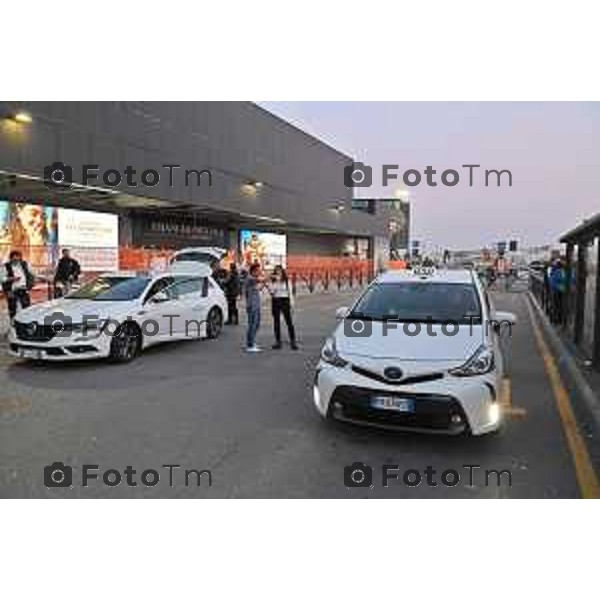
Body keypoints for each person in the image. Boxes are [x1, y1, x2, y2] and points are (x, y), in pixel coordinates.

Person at [267, 265, 298, 350]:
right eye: (276, 271)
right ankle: (278, 342)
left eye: (280, 271)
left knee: (289, 322)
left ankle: (293, 341)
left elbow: (290, 293)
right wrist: (276, 282)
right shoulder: (273, 281)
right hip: (276, 301)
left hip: (285, 300)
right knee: (276, 322)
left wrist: (292, 305)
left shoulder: (287, 281)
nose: (278, 273)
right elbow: (272, 292)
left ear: (282, 272)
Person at [2, 250, 35, 321]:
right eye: (14, 259)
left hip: (23, 288)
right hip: (12, 290)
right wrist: (11, 279)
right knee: (12, 308)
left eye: (18, 259)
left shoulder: (25, 264)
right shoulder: (6, 266)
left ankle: (26, 321)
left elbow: (32, 274)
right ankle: (13, 322)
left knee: (26, 307)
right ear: (11, 258)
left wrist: (30, 285)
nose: (16, 261)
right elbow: (2, 278)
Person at [244, 263, 263, 352]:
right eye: (258, 270)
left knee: (257, 324)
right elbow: (260, 280)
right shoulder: (250, 278)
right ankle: (250, 345)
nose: (259, 272)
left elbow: (258, 287)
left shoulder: (254, 280)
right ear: (253, 271)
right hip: (252, 305)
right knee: (252, 324)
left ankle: (251, 342)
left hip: (257, 304)